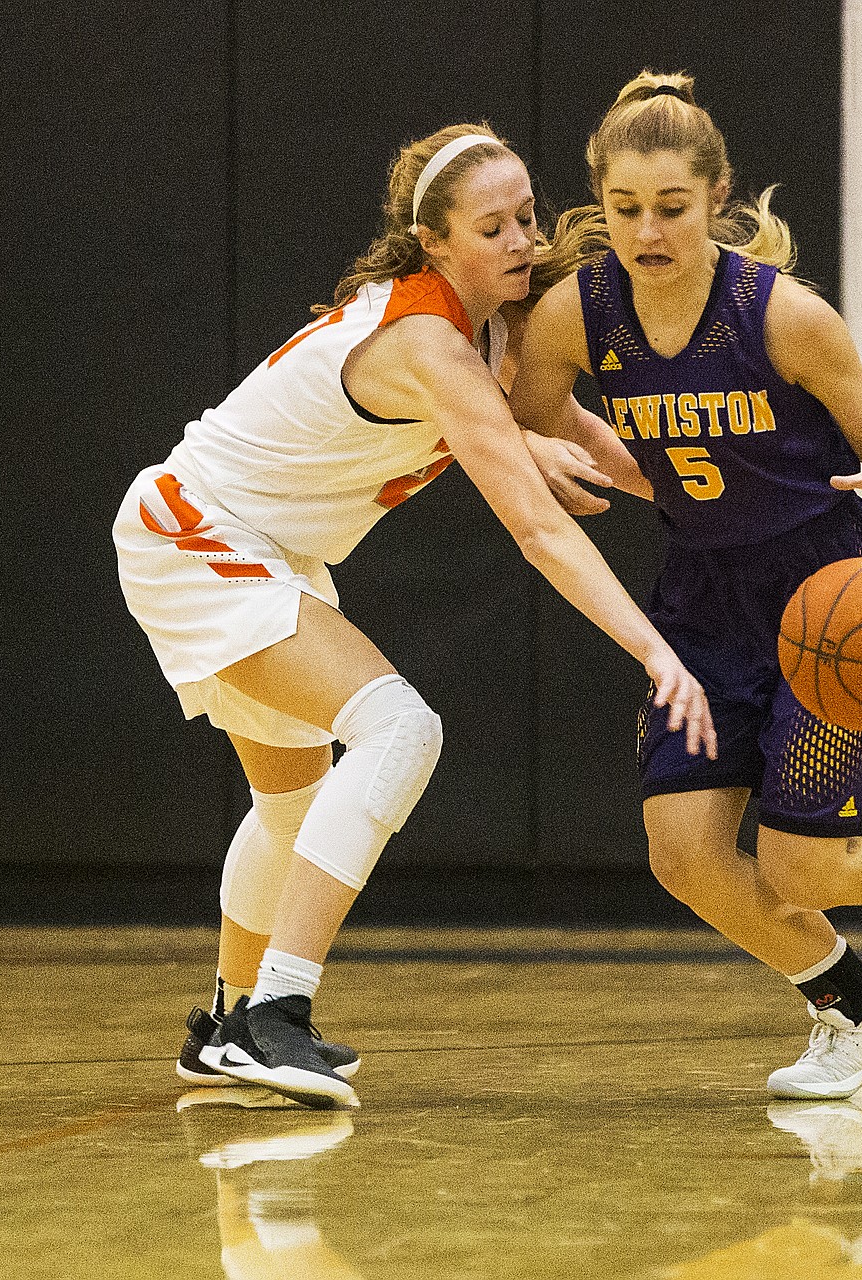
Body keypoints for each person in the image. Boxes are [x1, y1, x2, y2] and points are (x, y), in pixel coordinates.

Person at [113, 122, 717, 1109]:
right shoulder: (428, 341)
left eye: (527, 215)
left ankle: (227, 1022)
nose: (523, 239)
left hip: (258, 546)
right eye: (494, 226)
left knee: (293, 806)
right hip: (196, 532)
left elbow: (598, 443)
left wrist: (753, 503)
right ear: (436, 243)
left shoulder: (496, 329)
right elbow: (541, 532)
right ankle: (278, 1013)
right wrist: (656, 651)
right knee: (400, 727)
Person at [510, 71, 862, 1099]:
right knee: (684, 851)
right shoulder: (580, 311)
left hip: (826, 591)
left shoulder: (783, 316)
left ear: (716, 198)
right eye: (625, 210)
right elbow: (528, 412)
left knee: (801, 865)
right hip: (703, 596)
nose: (648, 229)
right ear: (599, 205)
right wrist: (578, 458)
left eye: (671, 207)